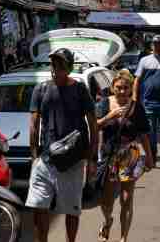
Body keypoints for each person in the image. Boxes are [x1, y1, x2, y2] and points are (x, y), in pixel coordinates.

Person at [26, 48, 98, 242]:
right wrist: (34, 158)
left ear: (69, 67)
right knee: (38, 207)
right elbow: (33, 125)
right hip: (46, 161)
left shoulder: (80, 89)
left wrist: (92, 160)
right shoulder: (40, 89)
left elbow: (93, 125)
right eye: (53, 64)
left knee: (71, 210)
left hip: (73, 162)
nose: (55, 69)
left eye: (60, 65)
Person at [95, 69, 153, 242]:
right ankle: (107, 220)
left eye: (126, 88)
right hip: (109, 155)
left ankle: (123, 238)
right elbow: (94, 127)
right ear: (113, 87)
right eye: (119, 87)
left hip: (130, 155)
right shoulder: (104, 104)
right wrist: (109, 117)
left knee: (127, 199)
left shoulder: (137, 108)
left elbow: (143, 135)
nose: (122, 91)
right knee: (106, 201)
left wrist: (149, 156)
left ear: (130, 89)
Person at [132, 34, 160, 165]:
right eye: (156, 44)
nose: (158, 46)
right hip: (147, 103)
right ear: (152, 45)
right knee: (150, 133)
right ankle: (152, 154)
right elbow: (137, 80)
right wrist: (135, 97)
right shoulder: (144, 61)